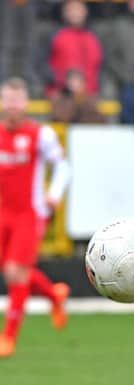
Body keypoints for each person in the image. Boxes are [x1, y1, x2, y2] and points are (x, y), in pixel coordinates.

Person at [0, 77, 71, 358]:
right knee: (15, 271)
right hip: (3, 212)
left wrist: (53, 195)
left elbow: (63, 167)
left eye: (17, 100)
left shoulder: (40, 134)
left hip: (29, 214)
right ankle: (54, 295)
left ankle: (9, 337)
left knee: (14, 272)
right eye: (8, 99)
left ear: (26, 103)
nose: (13, 105)